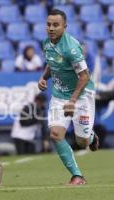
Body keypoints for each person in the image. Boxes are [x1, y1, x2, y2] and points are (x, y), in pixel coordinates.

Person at [38, 9, 99, 185]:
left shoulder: (72, 48)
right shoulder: (46, 43)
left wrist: (72, 100)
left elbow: (85, 76)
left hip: (81, 95)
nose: (51, 28)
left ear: (64, 26)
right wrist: (43, 78)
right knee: (56, 134)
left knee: (82, 142)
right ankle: (77, 176)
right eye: (48, 24)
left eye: (55, 25)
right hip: (59, 95)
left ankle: (91, 137)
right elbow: (52, 64)